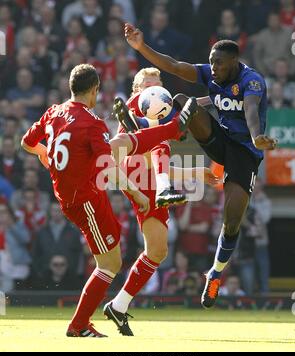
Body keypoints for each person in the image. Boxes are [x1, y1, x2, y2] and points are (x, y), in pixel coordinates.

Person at [21, 63, 196, 337]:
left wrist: (44, 153)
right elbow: (108, 166)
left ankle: (90, 319)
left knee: (115, 259)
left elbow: (26, 142)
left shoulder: (53, 111)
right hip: (86, 198)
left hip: (79, 195)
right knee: (110, 265)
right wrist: (136, 192)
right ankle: (79, 326)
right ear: (94, 91)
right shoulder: (92, 123)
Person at [123, 24, 278, 309]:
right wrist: (141, 48)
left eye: (218, 63)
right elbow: (173, 65)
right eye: (210, 62)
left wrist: (257, 138)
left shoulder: (252, 81)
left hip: (245, 152)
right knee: (182, 101)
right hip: (219, 140)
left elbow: (251, 110)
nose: (212, 67)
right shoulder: (211, 73)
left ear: (234, 62)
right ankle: (146, 126)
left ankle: (215, 274)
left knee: (232, 221)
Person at [104, 68, 218, 335]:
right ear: (136, 89)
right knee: (160, 138)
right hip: (132, 166)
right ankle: (143, 135)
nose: (154, 89)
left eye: (158, 84)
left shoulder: (162, 106)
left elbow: (161, 163)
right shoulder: (139, 103)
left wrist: (194, 173)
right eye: (147, 85)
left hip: (150, 176)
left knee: (157, 251)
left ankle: (118, 306)